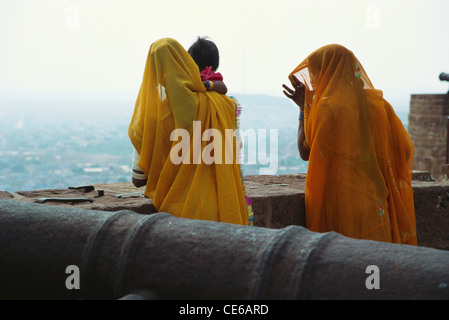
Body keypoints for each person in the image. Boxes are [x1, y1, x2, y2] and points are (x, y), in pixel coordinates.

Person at [282, 44, 417, 245]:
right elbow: (405, 150)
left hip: (343, 207)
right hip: (376, 205)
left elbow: (305, 151)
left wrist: (303, 108)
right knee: (378, 269)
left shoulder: (328, 108)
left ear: (329, 72)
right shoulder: (380, 106)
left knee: (345, 270)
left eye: (316, 74)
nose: (313, 81)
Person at [129, 37, 252, 225]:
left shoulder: (155, 115)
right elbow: (235, 149)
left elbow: (138, 179)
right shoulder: (226, 104)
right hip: (222, 210)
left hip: (178, 216)